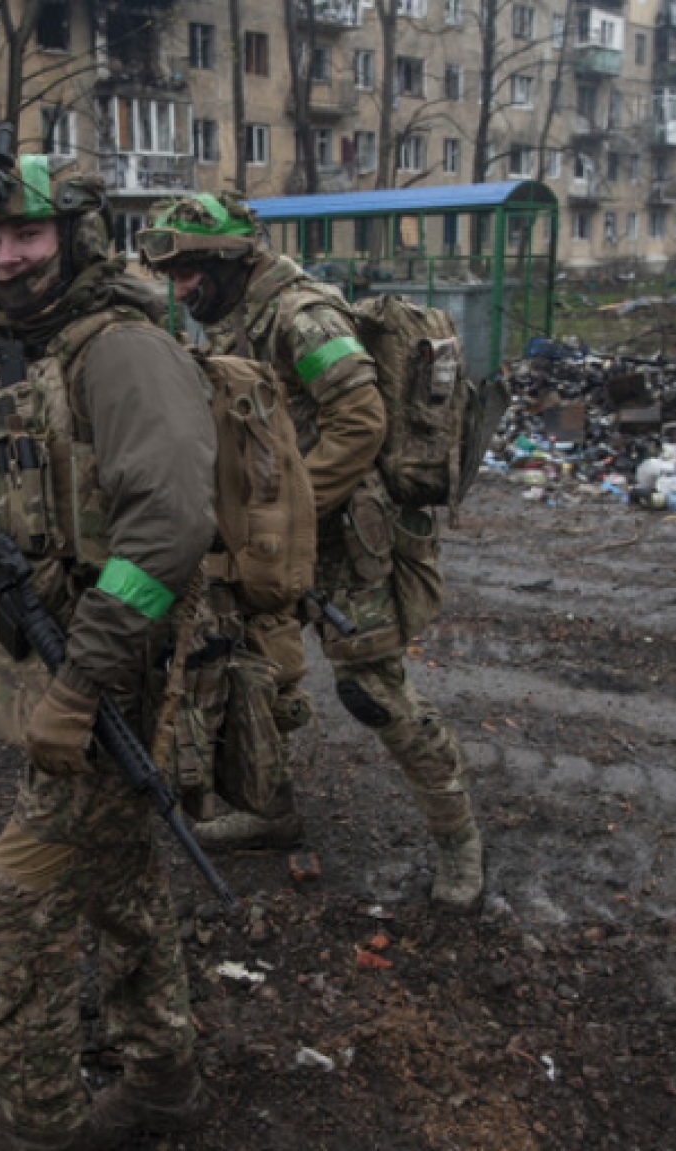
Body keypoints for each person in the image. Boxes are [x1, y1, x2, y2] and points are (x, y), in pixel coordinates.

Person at [0, 143, 216, 1151]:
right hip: (73, 666)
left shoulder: (120, 350)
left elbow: (168, 531)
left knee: (16, 899)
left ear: (75, 235)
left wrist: (82, 683)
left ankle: (37, 1125)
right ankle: (164, 1081)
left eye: (26, 234)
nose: (4, 258)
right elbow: (10, 509)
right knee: (126, 886)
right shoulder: (29, 356)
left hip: (117, 675)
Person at [136, 191, 486, 912]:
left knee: (374, 690)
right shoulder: (235, 316)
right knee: (251, 670)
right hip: (271, 534)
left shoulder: (302, 316)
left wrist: (289, 511)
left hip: (345, 537)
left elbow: (361, 420)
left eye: (191, 272)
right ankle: (271, 805)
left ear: (233, 260)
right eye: (174, 277)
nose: (181, 290)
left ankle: (459, 840)